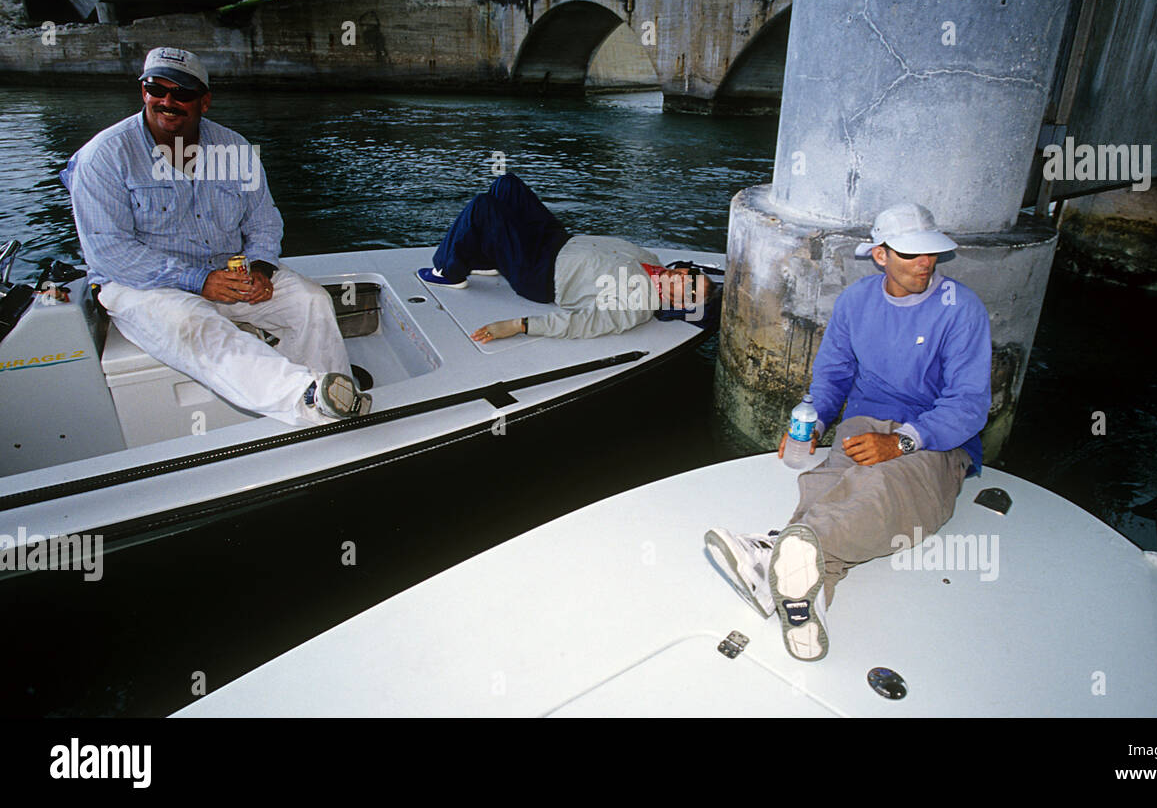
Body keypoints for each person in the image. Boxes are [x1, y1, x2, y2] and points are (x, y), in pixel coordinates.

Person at [705, 202, 992, 662]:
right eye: (911, 254)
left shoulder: (962, 310)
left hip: (935, 437)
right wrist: (813, 422)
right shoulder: (856, 301)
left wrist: (902, 442)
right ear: (880, 256)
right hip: (862, 423)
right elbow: (833, 375)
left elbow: (969, 404)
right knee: (827, 482)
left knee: (882, 488)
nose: (925, 263)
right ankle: (808, 597)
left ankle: (774, 552)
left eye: (931, 253)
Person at [63, 46, 369, 425]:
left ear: (204, 101)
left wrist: (260, 267)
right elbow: (108, 251)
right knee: (196, 325)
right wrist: (198, 281)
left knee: (311, 301)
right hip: (140, 285)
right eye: (155, 89)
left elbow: (264, 221)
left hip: (225, 272)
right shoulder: (103, 157)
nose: (167, 101)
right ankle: (308, 401)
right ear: (143, 92)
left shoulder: (235, 147)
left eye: (183, 93)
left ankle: (335, 389)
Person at [418, 173, 720, 341]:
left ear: (680, 303)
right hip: (556, 240)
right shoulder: (651, 258)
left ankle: (449, 271)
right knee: (507, 186)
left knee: (485, 206)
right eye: (688, 276)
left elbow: (584, 324)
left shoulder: (638, 306)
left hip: (540, 274)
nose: (682, 278)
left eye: (688, 290)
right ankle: (492, 258)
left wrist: (517, 326)